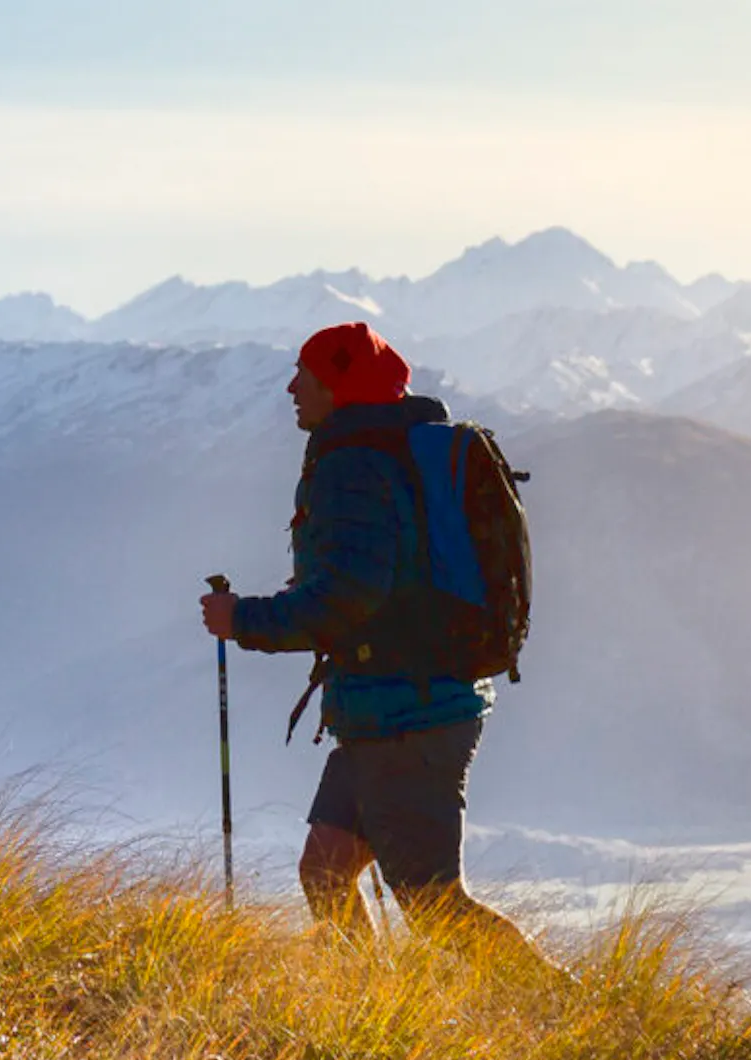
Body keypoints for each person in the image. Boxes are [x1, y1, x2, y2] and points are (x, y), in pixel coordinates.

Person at [201, 323, 552, 974]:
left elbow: (347, 596)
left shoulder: (355, 465)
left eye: (303, 374)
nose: (291, 387)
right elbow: (374, 583)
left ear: (339, 383)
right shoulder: (383, 450)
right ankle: (365, 1007)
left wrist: (242, 619)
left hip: (408, 714)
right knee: (326, 869)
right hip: (395, 704)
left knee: (432, 903)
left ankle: (568, 1009)